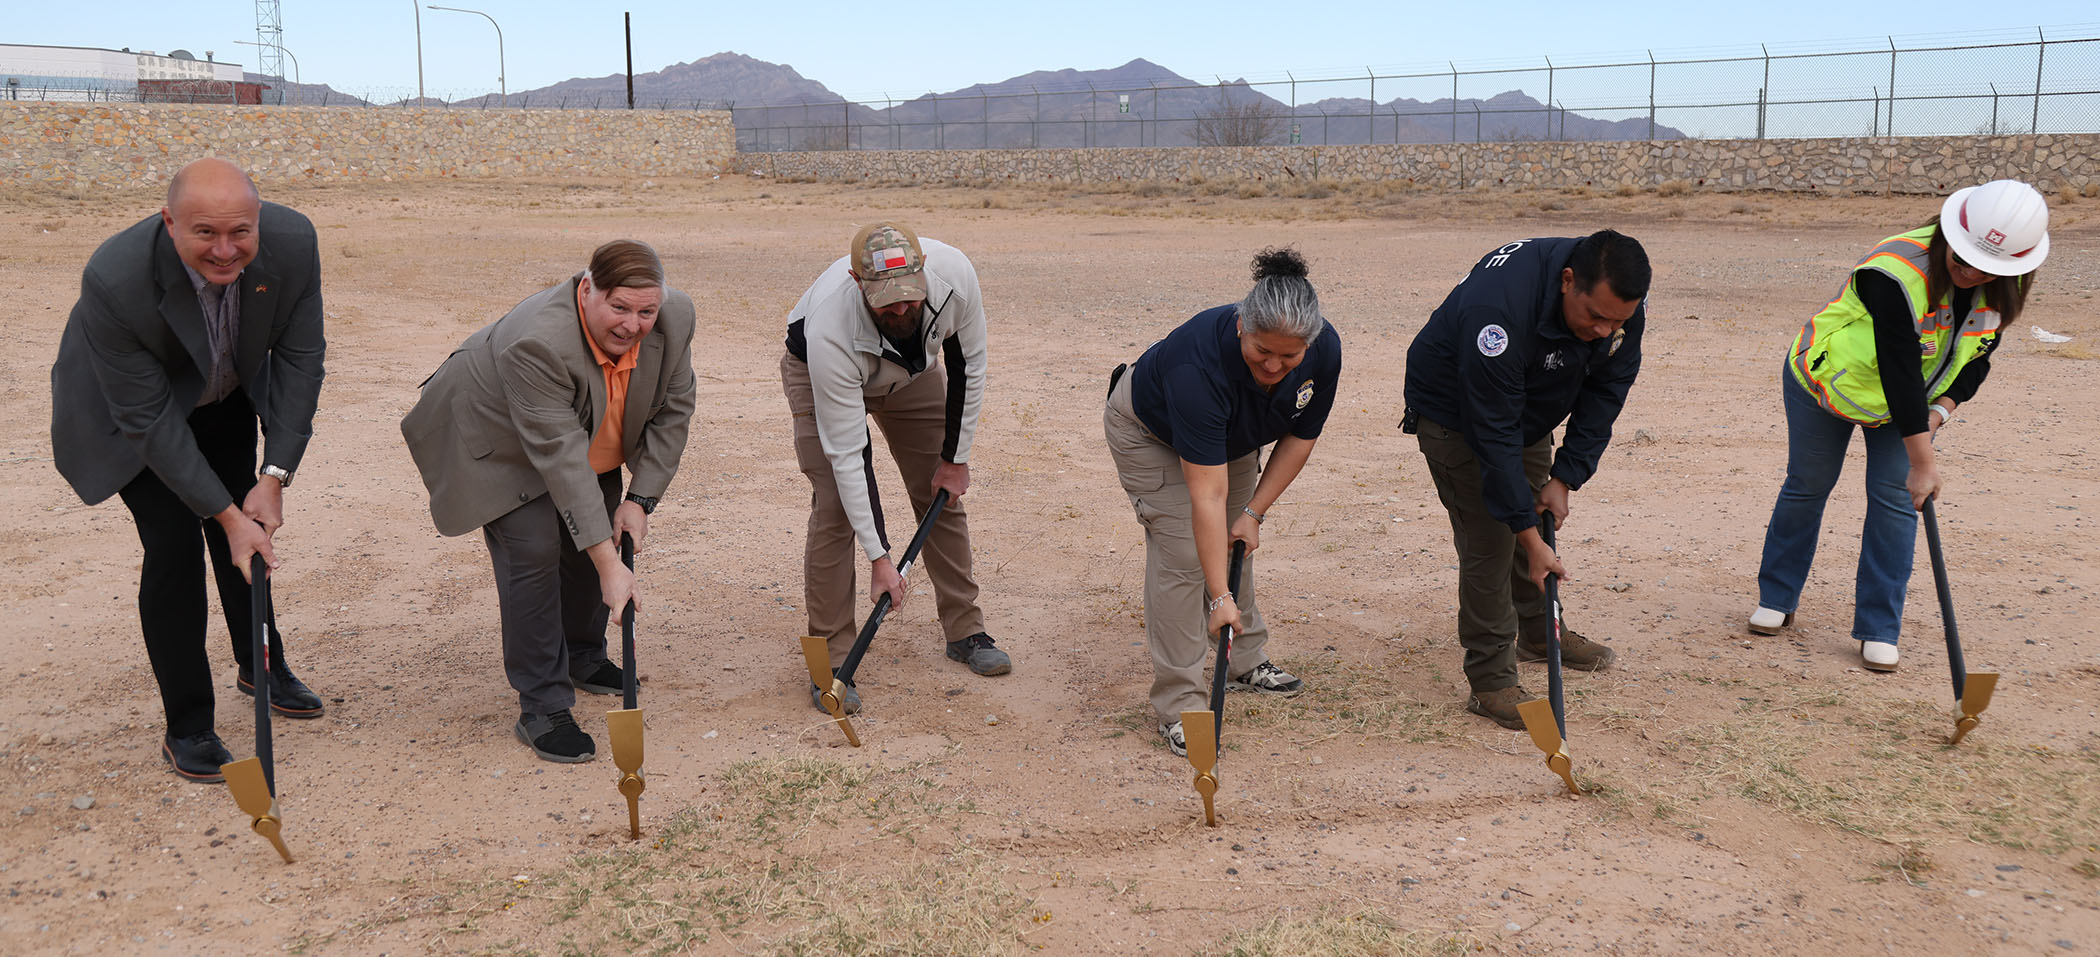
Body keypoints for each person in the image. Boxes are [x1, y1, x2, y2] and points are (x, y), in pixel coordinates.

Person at [50, 157, 328, 782]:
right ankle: (188, 725)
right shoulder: (116, 276)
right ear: (169, 221)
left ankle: (261, 664)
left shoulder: (294, 242)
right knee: (176, 546)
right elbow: (149, 421)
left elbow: (302, 358)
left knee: (248, 535)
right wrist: (225, 514)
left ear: (259, 221)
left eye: (240, 233)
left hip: (221, 394)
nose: (226, 250)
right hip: (132, 416)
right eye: (204, 233)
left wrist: (274, 475)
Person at [402, 240, 695, 762]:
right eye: (619, 308)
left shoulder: (674, 319)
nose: (633, 325)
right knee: (534, 546)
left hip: (578, 424)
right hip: (492, 435)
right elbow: (560, 458)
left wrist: (640, 500)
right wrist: (611, 567)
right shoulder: (538, 342)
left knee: (600, 523)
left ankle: (582, 653)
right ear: (587, 291)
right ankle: (542, 703)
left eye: (646, 310)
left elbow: (673, 409)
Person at [1750, 180, 2049, 672]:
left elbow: (1976, 359)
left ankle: (1879, 629)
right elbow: (1898, 367)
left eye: (1987, 267)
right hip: (1825, 382)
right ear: (1949, 234)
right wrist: (1924, 459)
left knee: (1895, 500)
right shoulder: (1893, 271)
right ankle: (1777, 600)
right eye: (1962, 259)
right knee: (1808, 484)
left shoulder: (2006, 281)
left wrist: (1939, 414)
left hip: (1908, 407)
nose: (1971, 273)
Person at [1402, 230, 1650, 730]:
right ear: (1567, 282)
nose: (1606, 330)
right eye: (1596, 318)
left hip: (1527, 407)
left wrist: (1565, 476)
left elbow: (1608, 389)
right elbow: (1492, 436)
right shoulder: (1500, 309)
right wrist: (1526, 532)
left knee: (1534, 518)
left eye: (1618, 320)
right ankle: (1491, 679)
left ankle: (1540, 632)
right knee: (1494, 539)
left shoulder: (1618, 303)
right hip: (1458, 414)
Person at [1104, 248, 1336, 757]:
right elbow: (1205, 496)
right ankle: (1182, 703)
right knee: (1185, 554)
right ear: (1240, 327)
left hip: (1228, 436)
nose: (1274, 366)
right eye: (1261, 352)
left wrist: (1253, 513)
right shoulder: (1198, 368)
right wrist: (1217, 596)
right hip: (1150, 431)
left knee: (1235, 540)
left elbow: (1300, 436)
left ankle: (1243, 658)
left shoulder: (1324, 350)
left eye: (1289, 357)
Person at [783, 221, 1007, 715]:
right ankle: (833, 662)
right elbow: (848, 456)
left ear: (924, 270)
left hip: (912, 374)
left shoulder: (955, 276)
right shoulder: (830, 327)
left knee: (940, 494)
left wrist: (956, 458)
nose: (901, 309)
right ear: (857, 281)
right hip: (827, 376)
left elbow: (969, 363)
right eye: (887, 301)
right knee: (837, 508)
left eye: (910, 296)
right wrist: (880, 558)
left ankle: (966, 631)